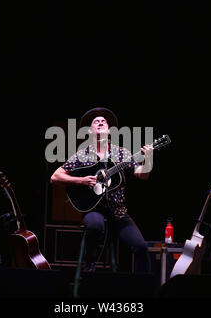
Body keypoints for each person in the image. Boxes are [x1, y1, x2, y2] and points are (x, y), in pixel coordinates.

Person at [50, 107, 153, 273]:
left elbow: (142, 175)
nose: (100, 122)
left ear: (109, 130)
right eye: (96, 121)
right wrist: (80, 180)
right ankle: (89, 264)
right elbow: (55, 177)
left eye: (103, 121)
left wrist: (148, 159)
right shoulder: (82, 155)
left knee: (141, 247)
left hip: (118, 211)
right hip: (93, 210)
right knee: (95, 226)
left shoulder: (121, 153)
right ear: (90, 130)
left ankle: (147, 288)